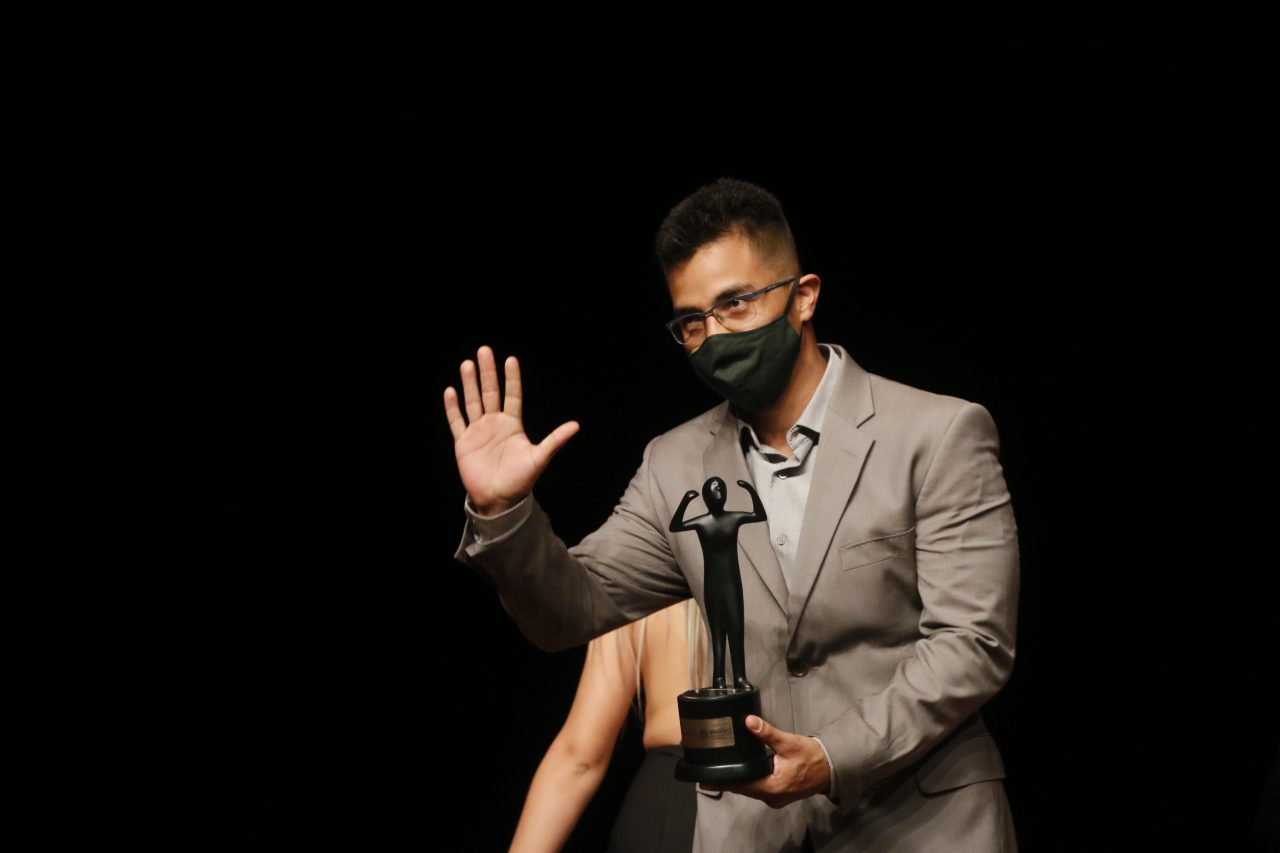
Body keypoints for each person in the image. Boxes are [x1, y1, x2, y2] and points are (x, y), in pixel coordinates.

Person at [446, 177, 1020, 852]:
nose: (714, 335)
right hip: (750, 835)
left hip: (921, 829)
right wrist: (505, 510)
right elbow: (571, 609)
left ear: (803, 296)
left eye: (735, 303)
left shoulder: (937, 433)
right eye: (692, 322)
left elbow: (972, 645)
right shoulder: (673, 463)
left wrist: (828, 756)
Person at [509, 598, 711, 852]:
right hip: (719, 794)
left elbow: (579, 757)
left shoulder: (638, 585)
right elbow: (579, 757)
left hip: (667, 805)